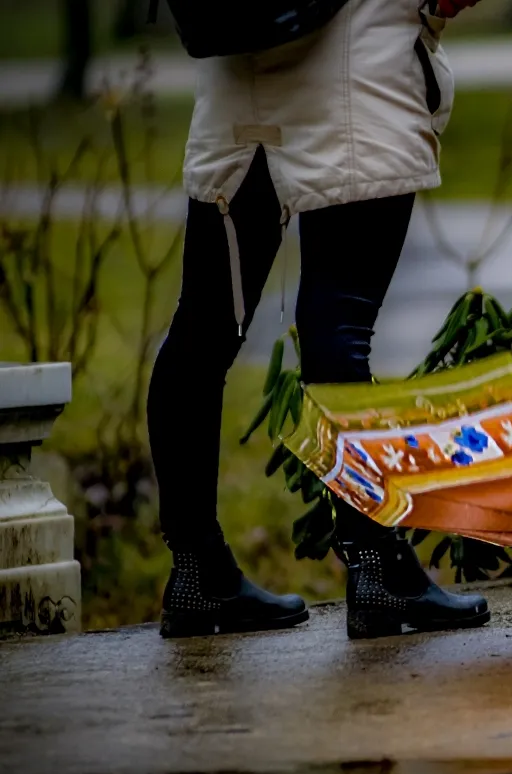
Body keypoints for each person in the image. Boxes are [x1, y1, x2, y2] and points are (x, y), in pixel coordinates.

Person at [149, 0, 491, 640]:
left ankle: (197, 574)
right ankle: (377, 571)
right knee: (338, 324)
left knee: (201, 331)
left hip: (238, 71)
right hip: (358, 67)